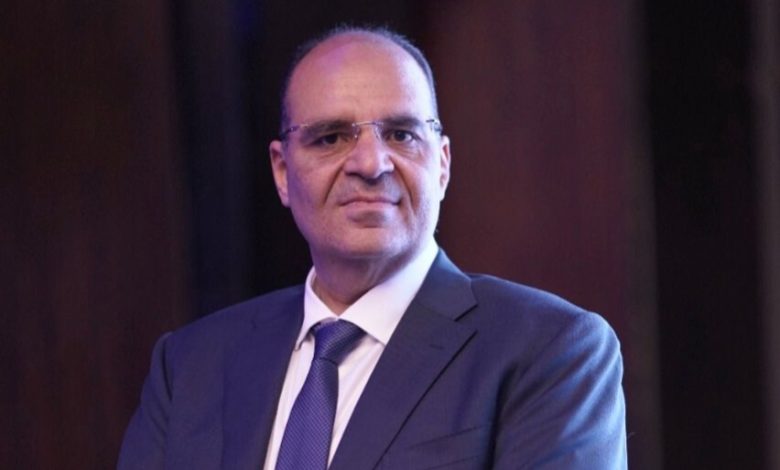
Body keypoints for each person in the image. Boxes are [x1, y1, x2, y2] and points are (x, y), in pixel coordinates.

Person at [118, 26, 627, 469]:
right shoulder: (189, 365)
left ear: (442, 164)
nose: (370, 163)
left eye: (401, 134)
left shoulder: (550, 349)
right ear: (282, 172)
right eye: (331, 137)